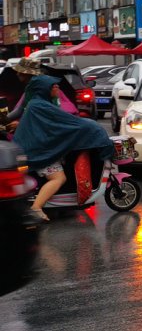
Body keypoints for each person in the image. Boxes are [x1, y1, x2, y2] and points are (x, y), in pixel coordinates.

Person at [13, 76, 114, 222]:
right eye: (54, 86)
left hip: (36, 149)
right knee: (58, 178)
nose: (57, 88)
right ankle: (36, 207)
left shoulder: (38, 103)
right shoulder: (41, 105)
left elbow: (62, 122)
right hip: (39, 152)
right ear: (44, 89)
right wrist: (92, 127)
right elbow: (68, 123)